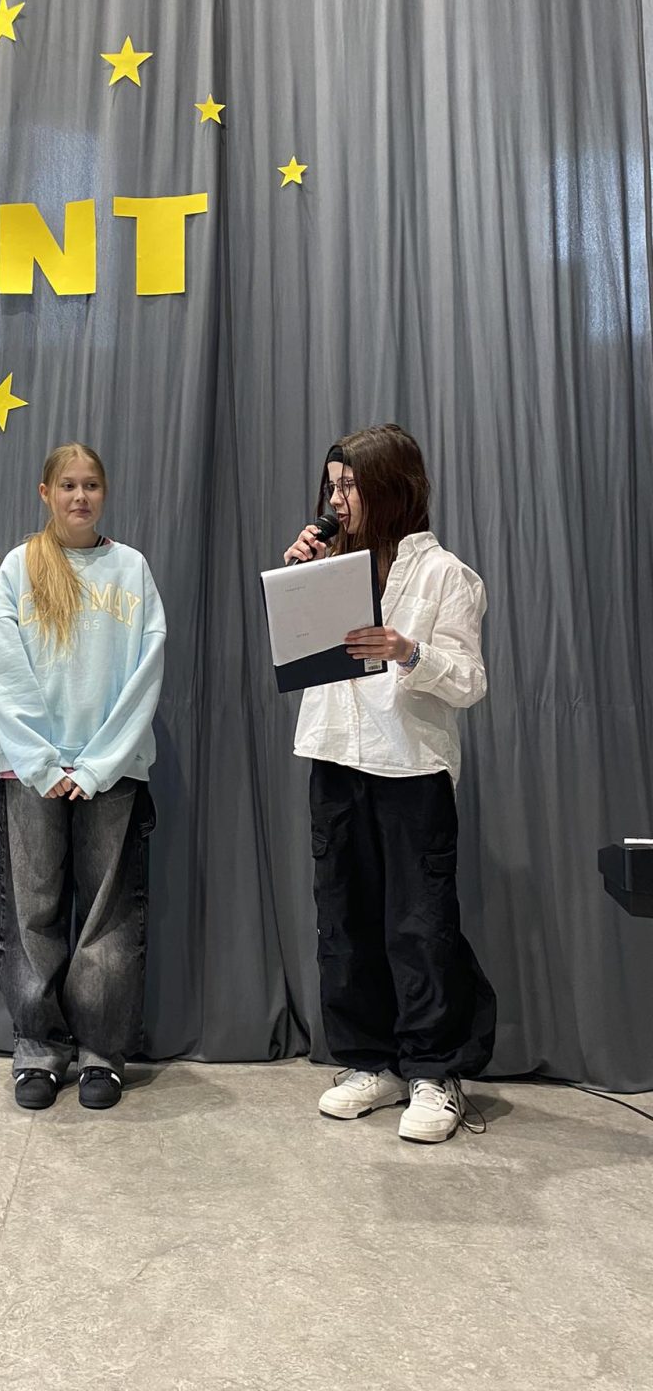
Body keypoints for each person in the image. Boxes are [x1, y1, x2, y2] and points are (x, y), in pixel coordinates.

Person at [284, 424, 495, 1142]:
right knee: (343, 920)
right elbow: (299, 654)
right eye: (332, 486)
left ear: (391, 488)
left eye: (350, 486)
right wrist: (298, 585)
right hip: (334, 755)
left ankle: (434, 1071)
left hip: (409, 766)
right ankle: (369, 1061)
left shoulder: (444, 575)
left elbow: (469, 681)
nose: (337, 501)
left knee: (418, 924)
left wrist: (410, 651)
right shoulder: (329, 565)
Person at [0, 443, 165, 1112]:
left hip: (111, 769)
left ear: (104, 493)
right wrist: (42, 763)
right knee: (33, 911)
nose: (80, 497)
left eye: (91, 485)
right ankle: (37, 1051)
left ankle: (101, 1056)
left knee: (108, 913)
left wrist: (95, 765)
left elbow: (146, 673)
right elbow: (4, 671)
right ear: (46, 493)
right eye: (67, 485)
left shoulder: (131, 569)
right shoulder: (19, 567)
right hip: (30, 771)